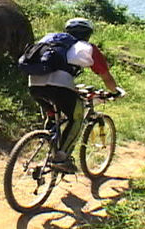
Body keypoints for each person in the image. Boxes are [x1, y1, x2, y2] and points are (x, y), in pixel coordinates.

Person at [28, 17, 123, 173]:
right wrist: (115, 91)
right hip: (59, 87)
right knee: (76, 117)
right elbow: (106, 77)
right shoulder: (87, 48)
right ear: (88, 34)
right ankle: (61, 157)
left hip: (34, 85)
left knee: (53, 115)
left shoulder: (49, 40)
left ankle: (49, 143)